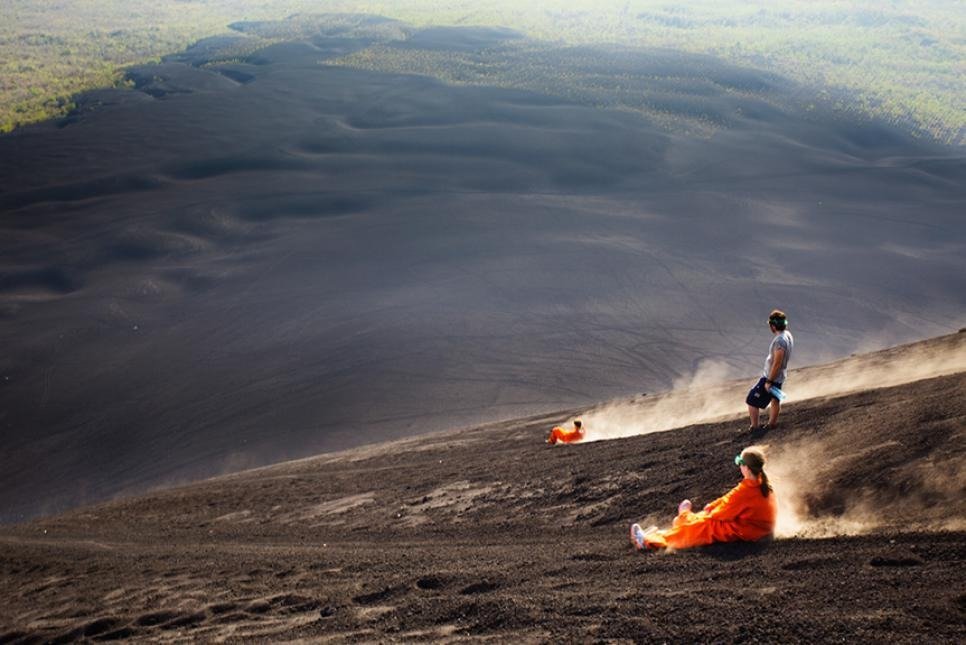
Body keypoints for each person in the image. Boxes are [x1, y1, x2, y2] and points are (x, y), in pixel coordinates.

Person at [630, 446, 776, 550]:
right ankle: (677, 523)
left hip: (744, 530)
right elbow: (730, 498)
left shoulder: (747, 491)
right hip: (753, 528)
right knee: (700, 519)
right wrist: (713, 505)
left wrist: (711, 511)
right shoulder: (760, 484)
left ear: (746, 468)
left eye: (739, 463)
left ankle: (647, 541)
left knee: (700, 526)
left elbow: (723, 513)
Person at [746, 309, 793, 432]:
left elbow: (777, 362)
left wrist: (769, 381)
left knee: (751, 400)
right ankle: (772, 424)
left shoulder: (779, 341)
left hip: (772, 376)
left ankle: (754, 427)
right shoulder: (787, 335)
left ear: (773, 326)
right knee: (775, 399)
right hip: (780, 375)